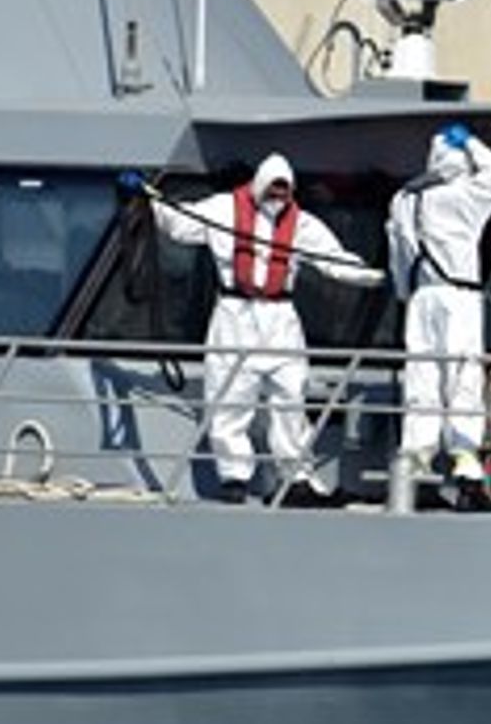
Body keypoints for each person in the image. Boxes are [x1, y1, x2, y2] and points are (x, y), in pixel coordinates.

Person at [128, 154, 385, 505]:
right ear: (261, 184)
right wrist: (147, 200)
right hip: (234, 316)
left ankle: (295, 477)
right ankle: (234, 476)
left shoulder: (302, 225)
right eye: (274, 187)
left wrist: (373, 277)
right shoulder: (222, 210)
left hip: (281, 320)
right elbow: (179, 225)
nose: (279, 195)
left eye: (285, 189)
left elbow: (333, 260)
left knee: (291, 401)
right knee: (229, 400)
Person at [386, 124, 491, 504]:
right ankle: (464, 456)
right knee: (462, 373)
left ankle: (418, 452)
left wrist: (402, 292)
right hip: (458, 295)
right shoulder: (464, 196)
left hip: (421, 297)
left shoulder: (403, 199)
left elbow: (397, 249)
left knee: (422, 373)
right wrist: (472, 141)